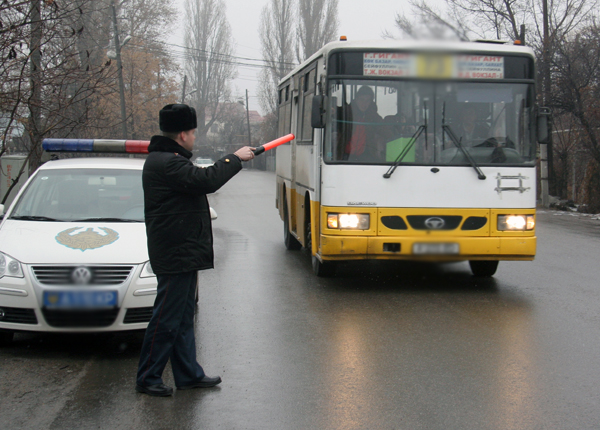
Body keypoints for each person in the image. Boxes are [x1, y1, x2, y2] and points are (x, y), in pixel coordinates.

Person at [135, 103, 255, 397]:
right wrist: (235, 158)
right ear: (182, 135)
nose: (194, 137)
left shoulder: (168, 159)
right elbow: (207, 180)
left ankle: (188, 374)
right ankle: (148, 377)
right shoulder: (167, 163)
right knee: (166, 318)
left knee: (182, 317)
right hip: (175, 254)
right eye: (192, 132)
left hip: (181, 253)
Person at [338, 85, 384, 162]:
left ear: (371, 102)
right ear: (356, 99)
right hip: (345, 155)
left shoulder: (373, 117)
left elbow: (384, 128)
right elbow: (336, 112)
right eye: (361, 99)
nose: (364, 103)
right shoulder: (347, 113)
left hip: (366, 155)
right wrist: (332, 110)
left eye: (367, 100)